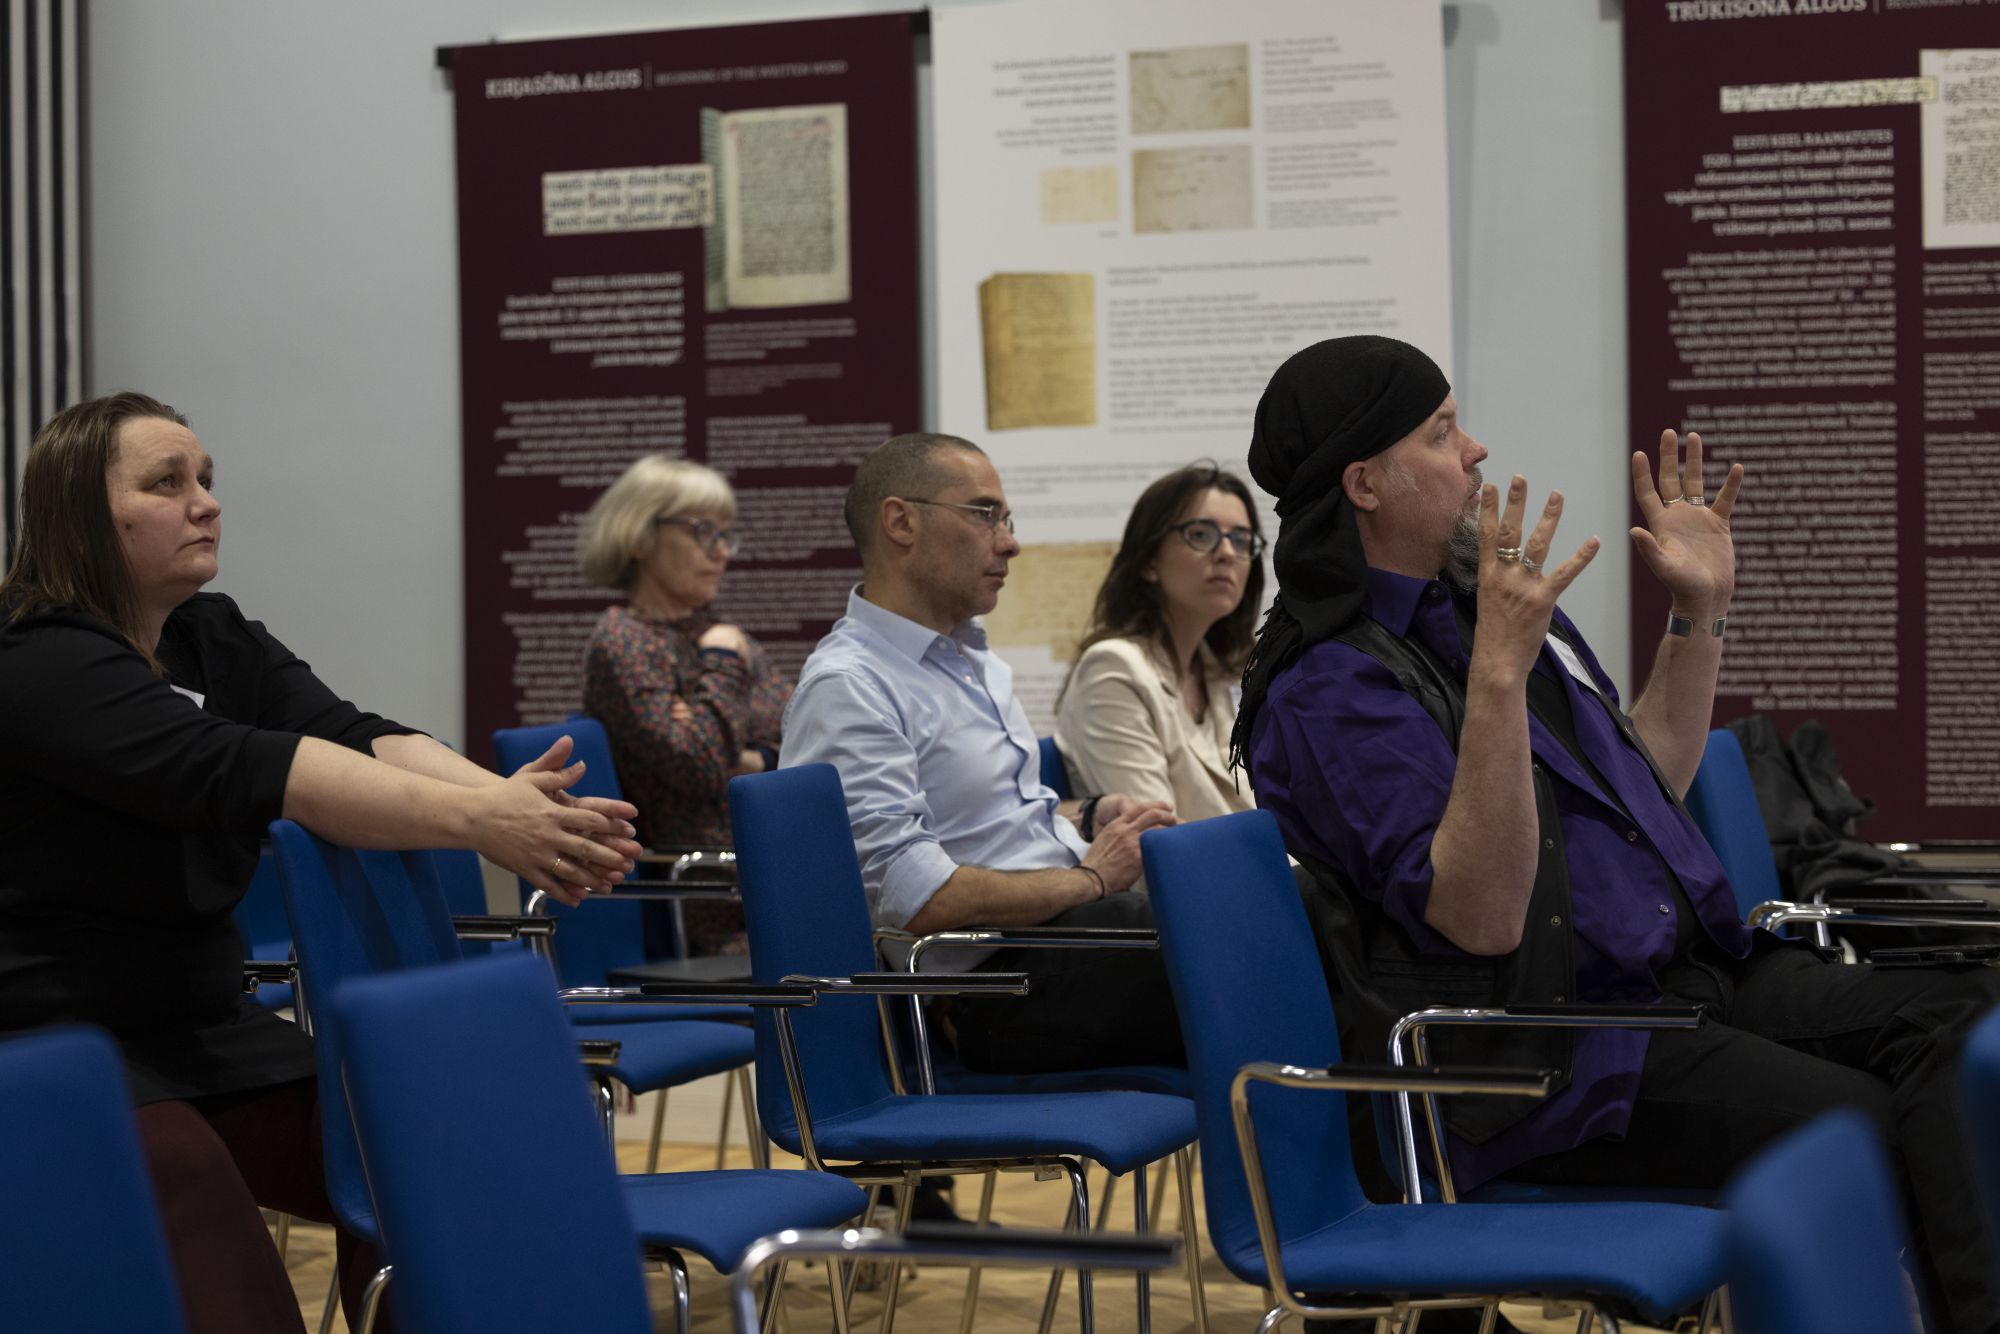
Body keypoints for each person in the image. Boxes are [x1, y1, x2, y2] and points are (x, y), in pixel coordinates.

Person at [1236, 336, 2000, 1334]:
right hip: (1554, 1051)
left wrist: (1698, 610)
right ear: (1365, 483)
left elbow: (1647, 784)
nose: (1473, 449)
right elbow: (1478, 914)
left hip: (1683, 979)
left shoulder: (1480, 607)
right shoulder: (1330, 686)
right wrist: (1497, 678)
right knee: (1864, 1124)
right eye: (1439, 431)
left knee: (1964, 1019)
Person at [0, 393, 642, 1333]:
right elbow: (253, 767)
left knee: (416, 1142)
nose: (206, 502)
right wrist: (481, 822)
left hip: (198, 1026)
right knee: (194, 1195)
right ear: (82, 516)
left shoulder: (208, 634)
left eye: (205, 478)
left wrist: (510, 801)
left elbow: (352, 733)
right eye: (166, 484)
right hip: (48, 1039)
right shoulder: (35, 657)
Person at [780, 432, 1181, 1074]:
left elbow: (980, 823)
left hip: (1057, 942)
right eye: (984, 514)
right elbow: (916, 899)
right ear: (901, 522)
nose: (1010, 542)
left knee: (1285, 904)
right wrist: (1090, 877)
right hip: (991, 991)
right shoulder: (851, 686)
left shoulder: (971, 661)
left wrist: (1086, 815)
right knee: (1254, 935)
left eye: (1006, 519)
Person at [578, 455, 788, 955]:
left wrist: (752, 757)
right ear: (640, 535)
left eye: (726, 535)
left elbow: (801, 732)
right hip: (713, 902)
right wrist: (722, 666)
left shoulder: (717, 631)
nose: (721, 552)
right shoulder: (624, 642)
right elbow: (698, 763)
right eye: (702, 531)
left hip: (770, 871)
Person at [1055, 463, 1264, 822]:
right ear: (1149, 561)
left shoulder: (1220, 671)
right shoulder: (1114, 668)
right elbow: (1158, 834)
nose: (1228, 553)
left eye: (1242, 540)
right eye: (1201, 534)